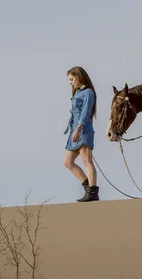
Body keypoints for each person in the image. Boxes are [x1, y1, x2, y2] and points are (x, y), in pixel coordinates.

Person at [63, 66, 99, 202]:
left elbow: (85, 112)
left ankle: (93, 191)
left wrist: (78, 129)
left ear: (78, 77)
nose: (71, 83)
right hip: (74, 132)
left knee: (86, 161)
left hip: (82, 130)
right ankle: (88, 188)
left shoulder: (88, 92)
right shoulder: (77, 93)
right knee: (67, 162)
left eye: (72, 79)